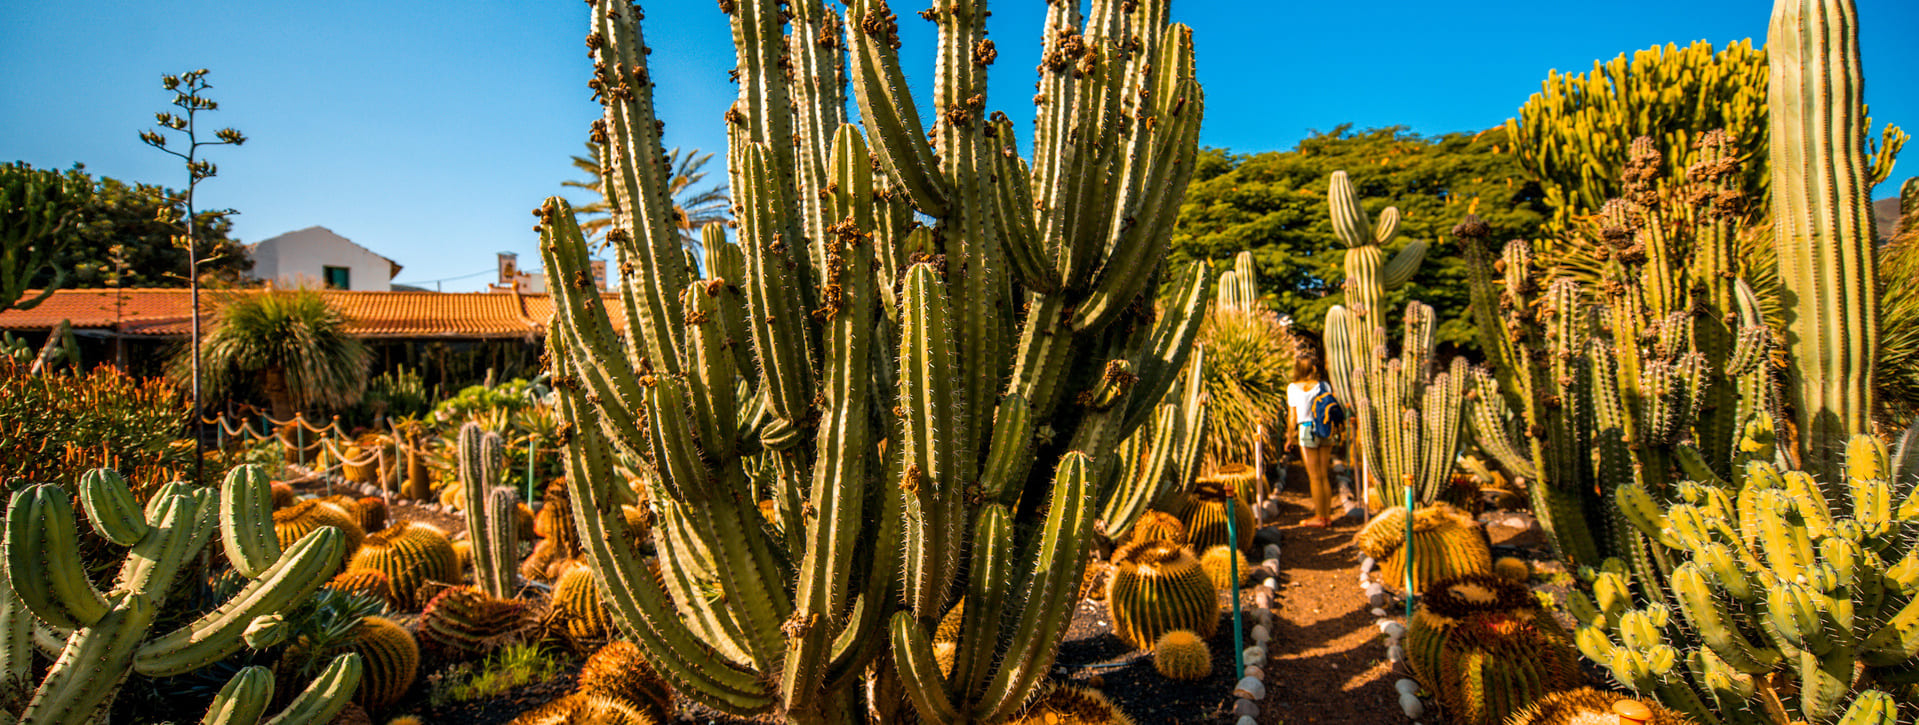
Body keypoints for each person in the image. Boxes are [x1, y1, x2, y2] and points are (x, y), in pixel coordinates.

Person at [1285, 350, 1337, 527]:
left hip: (1307, 430)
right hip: (1325, 429)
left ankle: (1318, 517)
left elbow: (1292, 416)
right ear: (1313, 368)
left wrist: (1289, 436)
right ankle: (1327, 517)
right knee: (1324, 475)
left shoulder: (1292, 388)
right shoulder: (1324, 385)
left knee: (1314, 477)